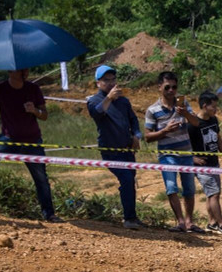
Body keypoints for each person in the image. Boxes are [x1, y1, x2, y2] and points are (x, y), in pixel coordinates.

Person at [0, 69, 60, 222]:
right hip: (8, 139)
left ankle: (49, 214)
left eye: (26, 69)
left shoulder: (34, 89)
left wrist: (35, 111)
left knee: (41, 178)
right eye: (21, 69)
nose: (25, 72)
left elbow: (45, 115)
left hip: (33, 141)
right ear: (10, 71)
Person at [144, 71, 203, 232]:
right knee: (171, 188)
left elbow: (196, 123)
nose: (171, 91)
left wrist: (185, 113)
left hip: (186, 153)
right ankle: (180, 221)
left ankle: (189, 222)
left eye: (174, 87)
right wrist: (165, 131)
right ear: (159, 88)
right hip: (167, 154)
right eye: (167, 87)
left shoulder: (183, 105)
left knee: (189, 188)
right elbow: (148, 136)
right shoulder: (153, 110)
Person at [86, 65, 143, 229]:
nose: (111, 83)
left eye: (113, 80)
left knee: (129, 180)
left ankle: (132, 216)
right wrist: (109, 98)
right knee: (125, 178)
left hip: (127, 149)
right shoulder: (94, 100)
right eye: (106, 80)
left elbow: (134, 121)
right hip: (110, 150)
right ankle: (129, 219)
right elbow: (97, 113)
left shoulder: (124, 101)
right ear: (98, 83)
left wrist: (136, 136)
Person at [190, 91, 222, 235]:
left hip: (214, 162)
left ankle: (212, 223)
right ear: (204, 106)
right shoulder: (193, 124)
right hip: (202, 166)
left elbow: (218, 137)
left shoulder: (213, 119)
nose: (216, 110)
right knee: (214, 194)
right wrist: (192, 158)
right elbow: (184, 144)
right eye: (213, 107)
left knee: (213, 194)